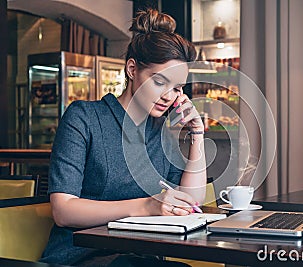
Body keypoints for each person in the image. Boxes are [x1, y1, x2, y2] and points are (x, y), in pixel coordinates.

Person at [40, 9, 206, 267]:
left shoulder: (164, 132)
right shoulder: (83, 118)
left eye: (176, 88)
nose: (169, 96)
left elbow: (190, 203)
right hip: (81, 256)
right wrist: (146, 206)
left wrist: (197, 136)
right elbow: (63, 210)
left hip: (140, 254)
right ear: (132, 69)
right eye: (159, 81)